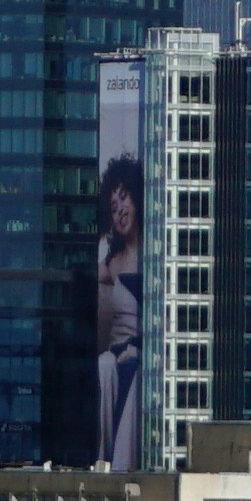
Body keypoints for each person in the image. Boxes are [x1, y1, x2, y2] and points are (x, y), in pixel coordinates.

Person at [87, 151, 150, 471]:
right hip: (115, 353)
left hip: (145, 356)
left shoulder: (157, 253)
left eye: (124, 198)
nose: (120, 210)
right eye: (112, 207)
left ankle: (125, 467)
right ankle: (104, 458)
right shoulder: (109, 264)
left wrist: (138, 349)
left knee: (140, 373)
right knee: (104, 365)